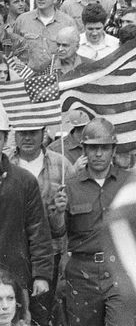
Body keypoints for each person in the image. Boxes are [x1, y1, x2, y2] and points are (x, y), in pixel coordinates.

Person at [60, 118, 134, 326]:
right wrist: (57, 212)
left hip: (120, 269)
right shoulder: (70, 187)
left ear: (113, 149)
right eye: (93, 148)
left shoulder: (130, 182)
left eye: (104, 148)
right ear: (83, 150)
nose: (99, 154)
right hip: (82, 273)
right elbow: (58, 232)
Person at [0, 110, 53, 326]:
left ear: (4, 139)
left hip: (15, 276)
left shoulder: (24, 181)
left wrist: (41, 274)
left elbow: (38, 230)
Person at [13, 0, 74, 74]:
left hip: (58, 79)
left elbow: (73, 55)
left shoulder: (67, 23)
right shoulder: (22, 20)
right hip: (27, 79)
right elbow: (13, 53)